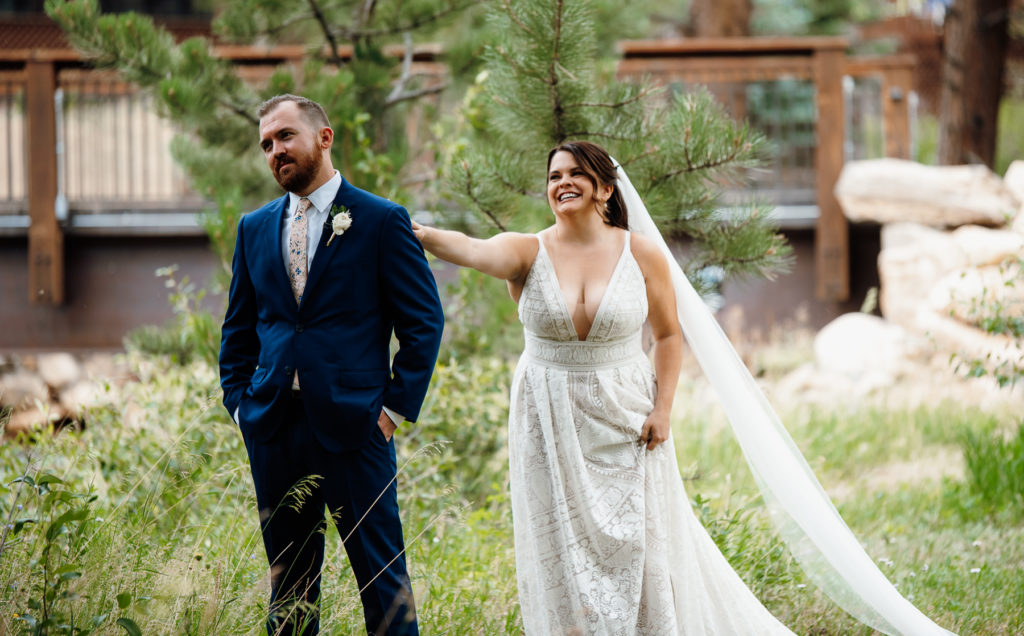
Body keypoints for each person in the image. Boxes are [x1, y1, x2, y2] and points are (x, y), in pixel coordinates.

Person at [413, 141, 955, 635]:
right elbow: (467, 247)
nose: (563, 183)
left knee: (640, 544)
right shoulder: (525, 251)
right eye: (554, 175)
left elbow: (669, 335)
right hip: (547, 417)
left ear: (605, 188)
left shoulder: (641, 255)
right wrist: (411, 231)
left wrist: (663, 408)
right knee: (560, 547)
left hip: (625, 414)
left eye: (577, 173)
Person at [219, 94, 444, 636]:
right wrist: (241, 409)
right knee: (289, 590)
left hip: (356, 428)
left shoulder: (380, 220)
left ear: (324, 137)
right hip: (273, 430)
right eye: (267, 144)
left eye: (286, 136)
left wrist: (390, 412)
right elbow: (239, 329)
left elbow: (424, 323)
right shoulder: (253, 228)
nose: (276, 150)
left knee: (384, 584)